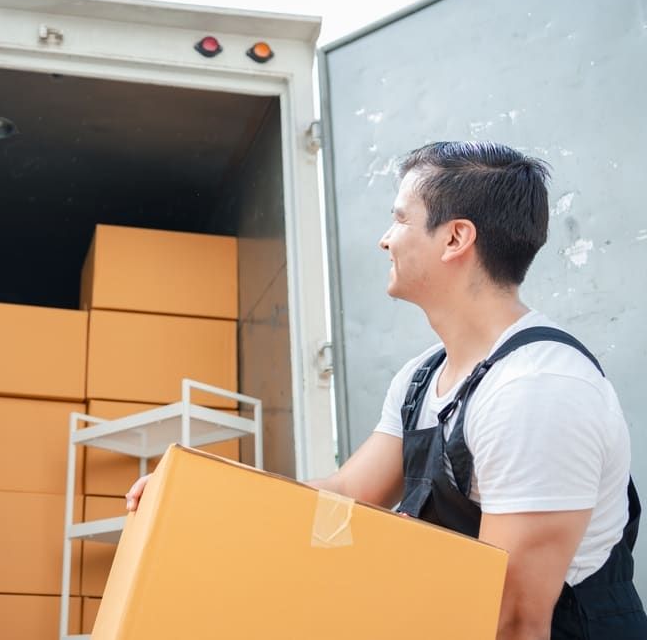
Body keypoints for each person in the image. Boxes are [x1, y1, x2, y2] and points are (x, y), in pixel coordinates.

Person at [126, 141, 645, 639]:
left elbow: (514, 622)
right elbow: (352, 494)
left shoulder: (536, 392)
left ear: (455, 239)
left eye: (400, 219)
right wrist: (204, 493)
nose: (385, 239)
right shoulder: (424, 376)